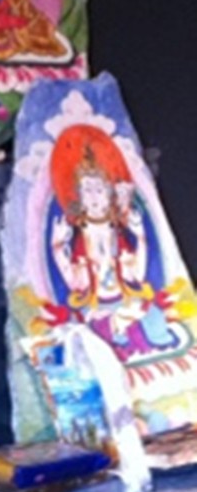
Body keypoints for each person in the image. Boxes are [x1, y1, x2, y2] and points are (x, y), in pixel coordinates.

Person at [50, 134, 177, 363]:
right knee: (99, 330)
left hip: (123, 298)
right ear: (79, 196)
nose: (94, 196)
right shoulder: (81, 238)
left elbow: (136, 275)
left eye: (99, 189)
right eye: (87, 189)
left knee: (154, 319)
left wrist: (140, 236)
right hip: (96, 305)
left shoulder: (116, 233)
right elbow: (75, 282)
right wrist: (58, 247)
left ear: (109, 194)